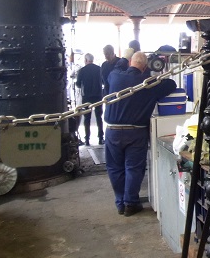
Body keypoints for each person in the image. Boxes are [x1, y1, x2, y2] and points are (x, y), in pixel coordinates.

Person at [104, 51, 176, 216]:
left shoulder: (115, 76)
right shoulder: (149, 83)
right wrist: (153, 75)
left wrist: (124, 59)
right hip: (136, 133)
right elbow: (171, 84)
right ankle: (131, 203)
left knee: (115, 168)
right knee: (134, 168)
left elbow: (116, 67)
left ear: (130, 62)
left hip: (113, 131)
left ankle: (120, 203)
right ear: (145, 67)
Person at [75, 53, 104, 145]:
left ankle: (87, 139)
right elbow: (103, 81)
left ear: (86, 60)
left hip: (86, 97)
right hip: (98, 96)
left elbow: (78, 84)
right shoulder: (99, 69)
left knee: (87, 118)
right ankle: (100, 138)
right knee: (99, 117)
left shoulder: (82, 70)